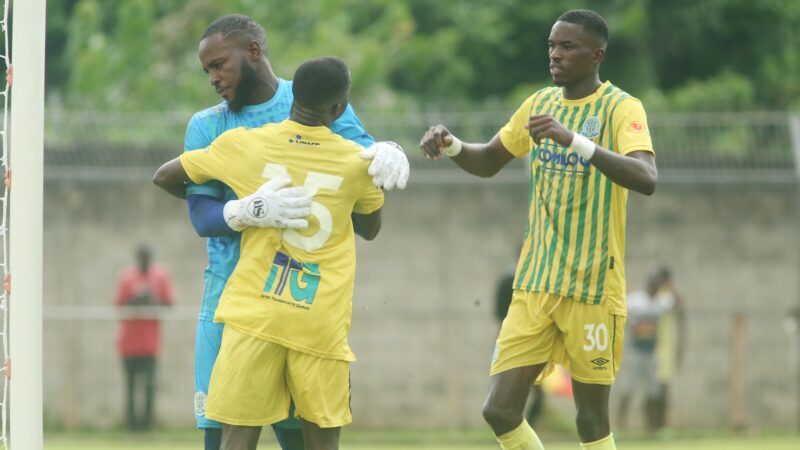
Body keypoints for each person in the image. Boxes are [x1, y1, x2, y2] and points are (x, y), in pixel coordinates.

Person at [420, 9, 657, 450]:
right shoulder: (539, 104)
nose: (556, 55)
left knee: (590, 419)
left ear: (596, 55)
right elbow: (489, 159)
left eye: (568, 47)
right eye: (552, 45)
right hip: (535, 283)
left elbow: (646, 178)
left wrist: (574, 141)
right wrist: (451, 145)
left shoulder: (622, 107)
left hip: (592, 287)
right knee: (499, 410)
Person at [180, 15, 408, 450]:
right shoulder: (206, 125)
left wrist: (390, 148)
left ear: (252, 51)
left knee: (296, 440)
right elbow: (199, 215)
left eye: (218, 65)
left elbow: (364, 162)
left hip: (299, 305)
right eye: (206, 70)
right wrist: (246, 210)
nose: (212, 78)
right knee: (218, 439)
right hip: (228, 299)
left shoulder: (310, 95)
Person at [616, 267, 685, 435]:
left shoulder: (661, 302)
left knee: (653, 392)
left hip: (651, 353)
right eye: (652, 283)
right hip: (634, 352)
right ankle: (619, 426)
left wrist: (670, 286)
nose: (654, 287)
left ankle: (652, 428)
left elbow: (678, 305)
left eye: (657, 284)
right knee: (627, 388)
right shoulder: (635, 300)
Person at [114, 244, 174, 432]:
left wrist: (153, 300)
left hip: (150, 344)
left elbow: (169, 303)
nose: (144, 261)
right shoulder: (126, 277)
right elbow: (118, 305)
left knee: (149, 387)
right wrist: (135, 300)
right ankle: (132, 427)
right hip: (128, 344)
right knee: (130, 387)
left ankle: (147, 426)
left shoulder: (160, 276)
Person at [494, 255, 545, 428]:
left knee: (537, 395)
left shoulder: (535, 281)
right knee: (507, 394)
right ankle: (510, 433)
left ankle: (524, 431)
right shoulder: (509, 280)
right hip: (513, 343)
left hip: (533, 343)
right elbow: (499, 312)